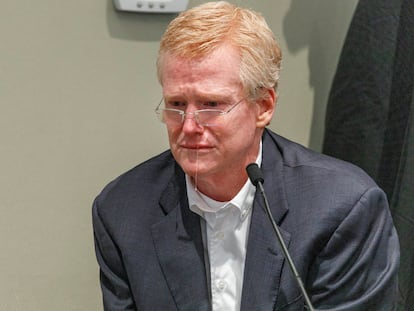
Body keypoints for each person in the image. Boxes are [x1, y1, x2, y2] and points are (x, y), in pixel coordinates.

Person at [92, 2, 400, 310]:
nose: (188, 126)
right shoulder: (122, 212)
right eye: (176, 103)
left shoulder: (343, 209)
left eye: (210, 104)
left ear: (263, 106)